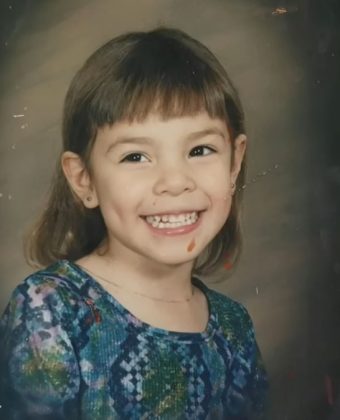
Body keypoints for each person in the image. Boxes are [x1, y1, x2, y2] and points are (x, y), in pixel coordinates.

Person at [0, 27, 268, 419]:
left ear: (235, 162)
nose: (175, 182)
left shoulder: (233, 327)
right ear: (83, 179)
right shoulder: (51, 311)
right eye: (136, 157)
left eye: (200, 150)